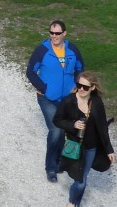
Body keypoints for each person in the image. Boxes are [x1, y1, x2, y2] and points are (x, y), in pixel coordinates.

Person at [54, 70, 116, 207]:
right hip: (75, 145)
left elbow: (102, 128)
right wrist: (72, 125)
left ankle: (75, 206)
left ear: (93, 88)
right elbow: (57, 120)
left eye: (85, 87)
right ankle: (71, 206)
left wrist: (109, 150)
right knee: (80, 179)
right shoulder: (69, 101)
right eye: (79, 85)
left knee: (83, 178)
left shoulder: (97, 104)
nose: (81, 89)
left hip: (91, 147)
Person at [27, 20, 86, 182]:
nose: (54, 36)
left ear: (64, 34)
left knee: (65, 130)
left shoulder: (72, 50)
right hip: (47, 98)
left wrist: (77, 87)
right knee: (56, 130)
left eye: (57, 33)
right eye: (51, 33)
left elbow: (80, 69)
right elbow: (30, 72)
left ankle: (61, 162)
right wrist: (45, 89)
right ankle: (51, 168)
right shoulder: (42, 51)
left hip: (66, 99)